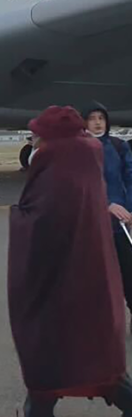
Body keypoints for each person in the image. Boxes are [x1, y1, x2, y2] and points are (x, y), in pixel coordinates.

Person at [0, 106, 132, 417]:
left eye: (38, 135)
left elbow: (43, 224)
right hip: (89, 278)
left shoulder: (59, 170)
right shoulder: (82, 162)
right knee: (93, 351)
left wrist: (19, 216)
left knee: (45, 347)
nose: (34, 141)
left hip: (59, 281)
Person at [83, 102, 132, 327]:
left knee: (128, 273)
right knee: (96, 277)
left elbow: (129, 178)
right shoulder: (78, 149)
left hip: (121, 223)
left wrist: (129, 210)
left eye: (101, 118)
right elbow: (80, 187)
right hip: (92, 223)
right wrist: (106, 205)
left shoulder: (118, 146)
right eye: (92, 118)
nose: (97, 122)